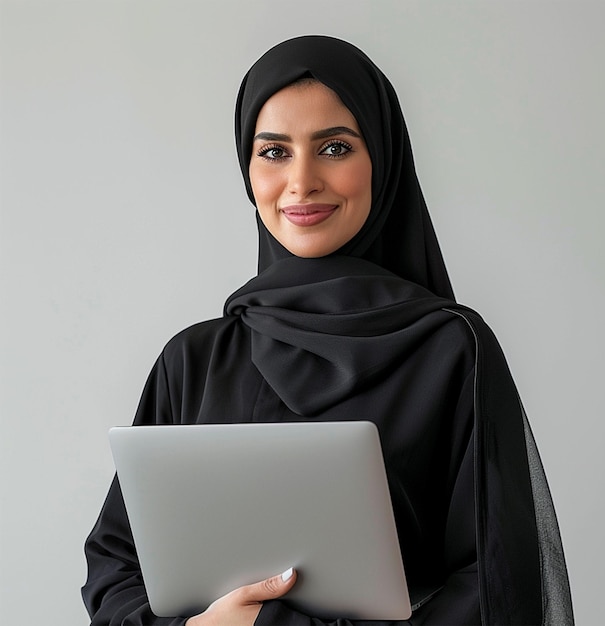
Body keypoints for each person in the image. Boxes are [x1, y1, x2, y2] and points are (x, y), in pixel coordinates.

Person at [82, 35, 574, 625]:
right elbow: (116, 563)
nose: (302, 181)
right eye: (274, 152)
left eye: (335, 147)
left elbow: (497, 582)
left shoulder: (450, 348)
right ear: (247, 168)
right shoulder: (193, 360)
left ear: (383, 161)